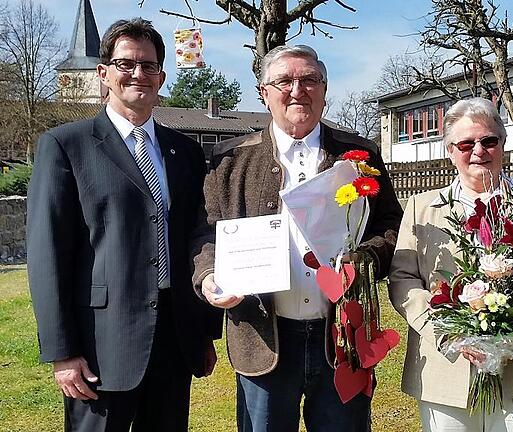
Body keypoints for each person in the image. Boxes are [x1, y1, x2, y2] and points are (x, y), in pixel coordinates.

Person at [189, 44, 403, 432]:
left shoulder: (359, 154)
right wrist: (209, 276)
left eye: (309, 80)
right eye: (284, 81)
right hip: (263, 337)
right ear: (263, 93)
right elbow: (207, 232)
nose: (297, 89)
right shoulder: (229, 159)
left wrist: (365, 258)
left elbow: (390, 223)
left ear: (324, 88)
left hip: (340, 339)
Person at [26, 18, 222, 431]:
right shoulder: (66, 146)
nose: (138, 74)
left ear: (162, 76)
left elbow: (196, 236)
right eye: (125, 64)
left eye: (149, 66)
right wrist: (63, 351)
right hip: (101, 342)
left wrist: (204, 331)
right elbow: (48, 254)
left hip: (173, 336)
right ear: (104, 74)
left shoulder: (183, 151)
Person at [388, 97, 513, 432]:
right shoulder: (422, 208)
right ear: (450, 150)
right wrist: (444, 329)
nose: (478, 151)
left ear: (503, 145)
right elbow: (403, 277)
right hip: (446, 370)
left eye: (489, 141)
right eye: (466, 143)